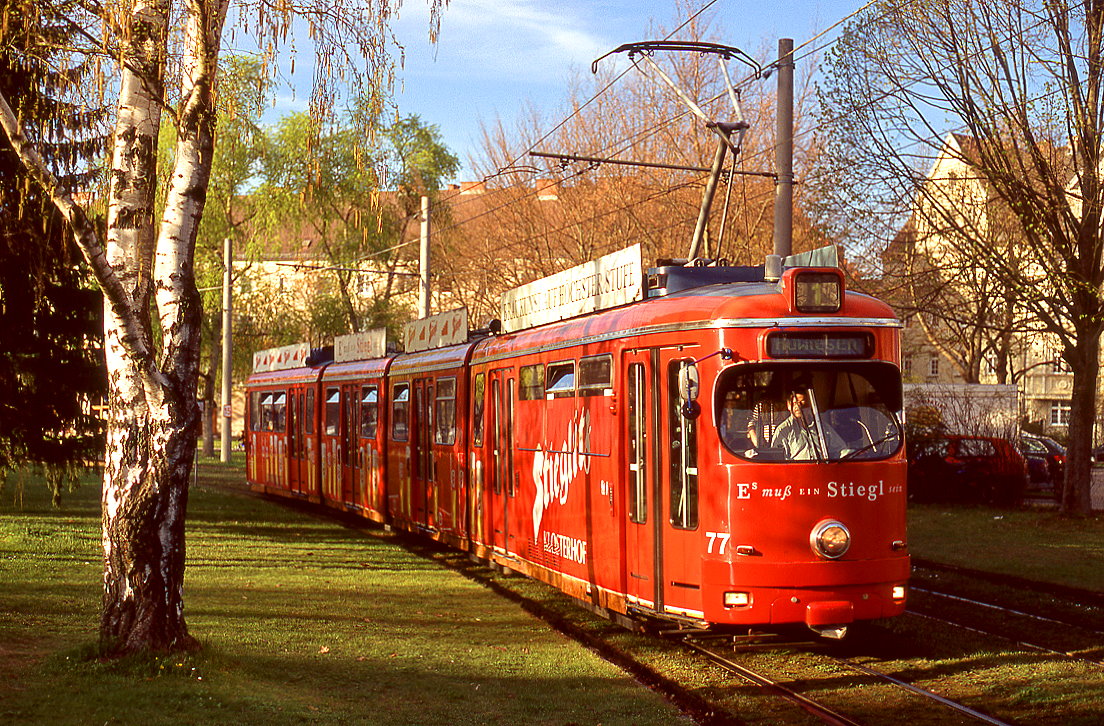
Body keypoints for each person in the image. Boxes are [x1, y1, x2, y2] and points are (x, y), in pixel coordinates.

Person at [770, 389, 850, 461]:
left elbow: (840, 450)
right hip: (795, 475)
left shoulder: (822, 427)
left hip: (822, 472)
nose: (798, 406)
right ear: (788, 405)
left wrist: (852, 455)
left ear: (810, 405)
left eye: (802, 403)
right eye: (794, 403)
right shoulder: (783, 430)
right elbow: (776, 459)